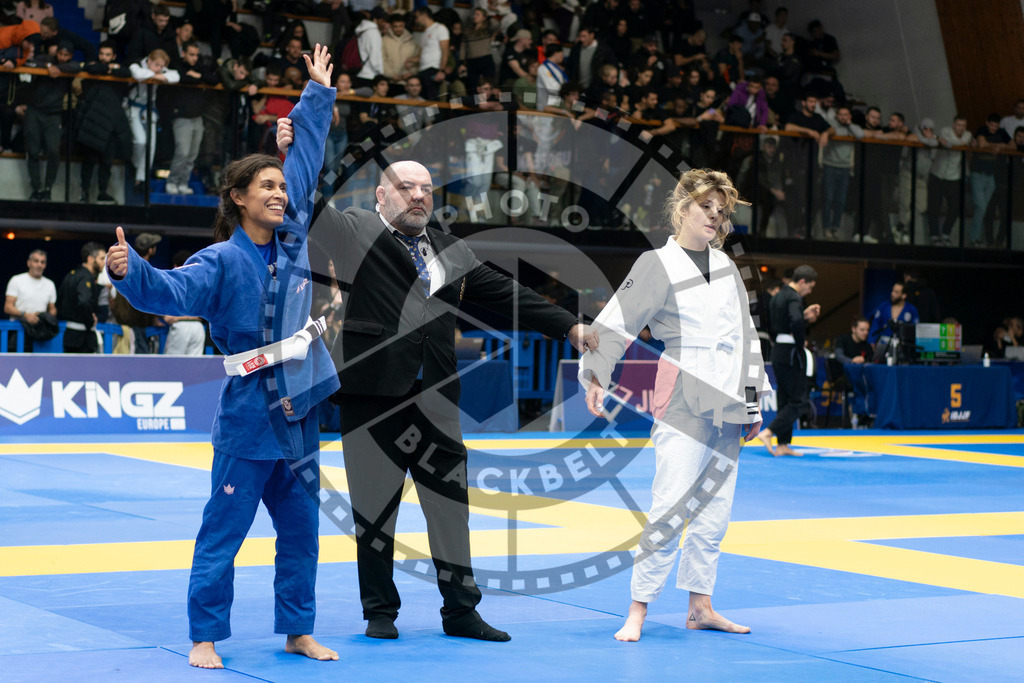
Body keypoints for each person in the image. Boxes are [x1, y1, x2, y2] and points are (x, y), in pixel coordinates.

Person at [276, 120, 598, 639]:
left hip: (438, 399)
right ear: (382, 195)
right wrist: (297, 151)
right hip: (372, 395)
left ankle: (461, 611)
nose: (419, 195)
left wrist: (571, 326)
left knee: (451, 509)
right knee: (374, 511)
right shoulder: (355, 229)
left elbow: (506, 293)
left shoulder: (451, 250)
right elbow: (307, 207)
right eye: (407, 187)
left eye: (426, 188)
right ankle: (380, 612)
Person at [106, 44, 339, 670]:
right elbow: (169, 291)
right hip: (248, 415)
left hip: (302, 411)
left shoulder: (293, 242)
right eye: (265, 186)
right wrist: (130, 274)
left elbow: (308, 163)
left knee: (302, 535)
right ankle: (205, 636)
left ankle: (298, 629)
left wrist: (316, 96)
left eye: (278, 186)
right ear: (238, 197)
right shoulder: (221, 261)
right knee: (224, 534)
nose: (278, 193)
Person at [580, 169, 770, 641]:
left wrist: (754, 398)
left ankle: (700, 606)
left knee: (715, 509)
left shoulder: (726, 267)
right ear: (683, 206)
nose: (714, 216)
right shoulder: (656, 263)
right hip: (683, 387)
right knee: (671, 502)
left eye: (721, 210)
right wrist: (596, 373)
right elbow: (619, 321)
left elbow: (746, 335)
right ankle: (638, 608)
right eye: (706, 206)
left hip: (730, 393)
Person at [756, 265, 819, 457]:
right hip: (792, 351)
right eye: (809, 287)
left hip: (778, 351)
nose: (809, 291)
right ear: (802, 282)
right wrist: (801, 338)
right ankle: (769, 432)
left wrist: (803, 316)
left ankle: (783, 444)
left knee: (784, 398)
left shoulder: (777, 297)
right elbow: (795, 321)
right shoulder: (793, 297)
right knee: (799, 400)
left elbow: (780, 322)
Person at [77, 40, 131, 204]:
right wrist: (108, 68)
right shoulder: (94, 68)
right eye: (102, 54)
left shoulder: (119, 71)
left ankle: (102, 192)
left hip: (110, 123)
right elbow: (89, 68)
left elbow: (127, 72)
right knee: (89, 161)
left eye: (108, 55)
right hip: (93, 122)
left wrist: (111, 69)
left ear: (114, 56)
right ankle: (84, 192)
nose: (104, 57)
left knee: (106, 161)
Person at [57, 242, 107, 353]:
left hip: (69, 336)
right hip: (83, 339)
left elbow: (59, 301)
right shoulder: (86, 277)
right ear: (90, 259)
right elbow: (84, 301)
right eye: (102, 258)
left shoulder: (71, 275)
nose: (104, 263)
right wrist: (90, 319)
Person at [5, 249, 57, 351]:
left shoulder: (50, 284)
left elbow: (52, 309)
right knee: (16, 364)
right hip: (19, 330)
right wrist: (25, 315)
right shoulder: (17, 280)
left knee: (40, 364)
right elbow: (8, 307)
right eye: (36, 261)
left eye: (42, 262)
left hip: (40, 332)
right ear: (29, 263)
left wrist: (45, 317)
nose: (39, 265)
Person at [868, 281, 919, 348]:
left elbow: (916, 329)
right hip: (883, 344)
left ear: (904, 295)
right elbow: (875, 324)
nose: (892, 294)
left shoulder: (911, 309)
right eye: (893, 291)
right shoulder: (883, 307)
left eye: (896, 292)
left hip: (903, 346)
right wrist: (872, 341)